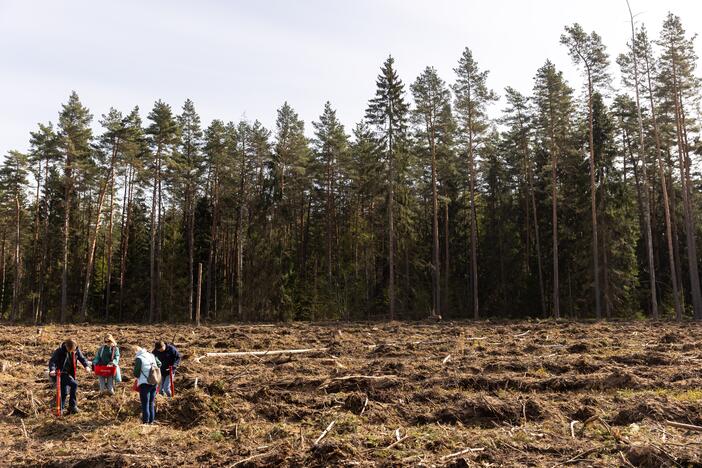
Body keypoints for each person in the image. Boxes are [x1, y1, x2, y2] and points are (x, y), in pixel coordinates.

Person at [48, 338, 92, 414]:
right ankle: (72, 406)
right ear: (66, 346)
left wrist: (86, 366)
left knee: (64, 392)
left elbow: (82, 358)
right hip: (60, 373)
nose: (72, 352)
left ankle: (60, 409)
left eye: (73, 350)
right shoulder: (59, 351)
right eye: (70, 350)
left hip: (69, 373)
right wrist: (52, 369)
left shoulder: (76, 350)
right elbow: (53, 361)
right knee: (74, 384)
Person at [133, 345, 161, 424]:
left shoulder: (139, 359)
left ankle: (145, 422)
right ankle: (151, 421)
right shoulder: (151, 355)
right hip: (154, 381)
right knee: (151, 402)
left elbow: (136, 373)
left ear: (136, 351)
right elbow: (159, 364)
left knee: (145, 403)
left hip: (145, 383)